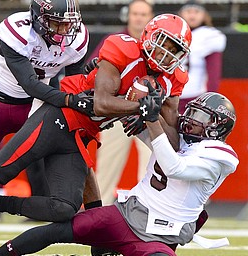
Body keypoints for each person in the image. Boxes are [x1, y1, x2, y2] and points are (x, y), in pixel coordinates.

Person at [0, 12, 192, 253]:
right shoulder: (124, 48)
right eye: (163, 43)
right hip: (58, 118)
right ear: (149, 34)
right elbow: (102, 102)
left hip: (81, 133)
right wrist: (141, 108)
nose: (165, 53)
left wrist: (152, 117)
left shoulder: (173, 79)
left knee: (64, 208)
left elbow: (170, 141)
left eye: (174, 50)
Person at [0, 91, 239, 256]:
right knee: (54, 232)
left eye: (200, 117)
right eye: (192, 112)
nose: (190, 119)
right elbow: (152, 138)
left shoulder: (219, 156)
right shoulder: (181, 139)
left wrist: (152, 121)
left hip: (160, 236)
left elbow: (174, 167)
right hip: (125, 215)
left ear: (218, 126)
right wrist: (136, 115)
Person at [0, 0, 97, 255]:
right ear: (37, 18)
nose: (63, 30)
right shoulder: (16, 30)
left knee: (80, 159)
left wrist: (86, 85)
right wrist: (69, 99)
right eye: (56, 22)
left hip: (40, 105)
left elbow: (74, 82)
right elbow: (30, 84)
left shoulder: (76, 37)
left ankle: (99, 239)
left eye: (67, 23)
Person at [88, 0, 155, 205]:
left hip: (147, 114)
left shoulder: (156, 43)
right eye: (135, 13)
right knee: (107, 165)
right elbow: (95, 70)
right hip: (116, 111)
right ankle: (99, 209)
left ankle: (148, 209)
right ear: (128, 15)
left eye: (143, 14)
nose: (138, 18)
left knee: (151, 164)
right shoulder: (115, 40)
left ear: (150, 17)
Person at [177, 0, 227, 113]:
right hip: (170, 95)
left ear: (204, 15)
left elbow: (214, 72)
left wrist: (210, 100)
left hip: (195, 96)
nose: (192, 15)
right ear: (180, 13)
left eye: (196, 11)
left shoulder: (210, 35)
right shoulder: (172, 33)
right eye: (188, 11)